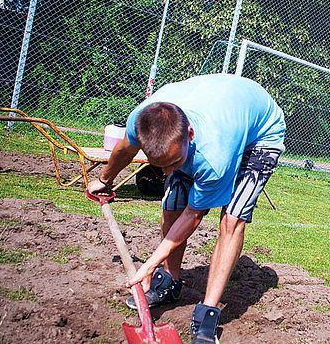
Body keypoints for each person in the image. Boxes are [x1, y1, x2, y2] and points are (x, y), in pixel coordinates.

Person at [87, 73, 285, 343]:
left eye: (174, 161)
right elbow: (124, 149)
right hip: (217, 108)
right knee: (171, 204)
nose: (166, 171)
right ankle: (170, 282)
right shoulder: (141, 120)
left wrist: (149, 264)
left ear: (189, 135)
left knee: (231, 219)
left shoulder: (213, 156)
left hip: (260, 133)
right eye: (160, 165)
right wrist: (104, 180)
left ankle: (208, 313)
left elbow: (194, 215)